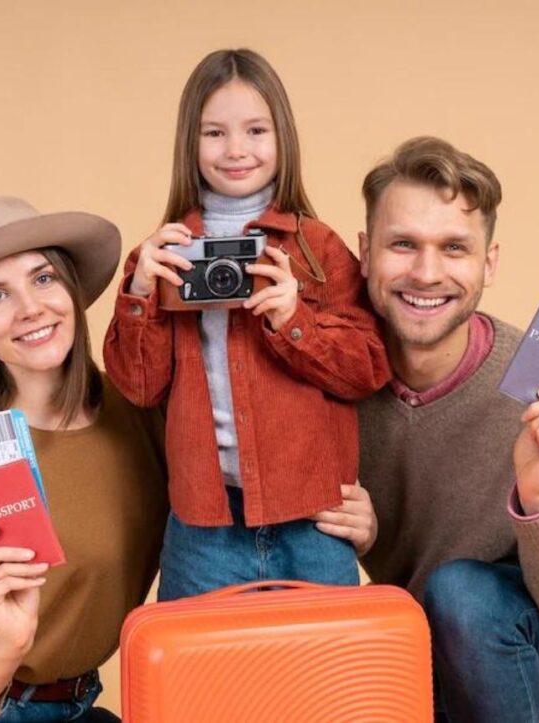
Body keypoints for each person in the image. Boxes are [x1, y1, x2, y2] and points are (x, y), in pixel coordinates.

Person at [355, 137, 539, 722]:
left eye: (454, 248)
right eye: (403, 244)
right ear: (364, 254)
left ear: (489, 263)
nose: (427, 273)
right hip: (423, 645)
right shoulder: (337, 378)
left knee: (464, 596)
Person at [104, 48, 390, 601]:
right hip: (203, 520)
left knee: (322, 679)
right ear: (190, 142)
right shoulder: (165, 254)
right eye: (214, 133)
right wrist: (143, 293)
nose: (236, 150)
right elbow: (140, 388)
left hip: (312, 514)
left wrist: (293, 318)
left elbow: (368, 369)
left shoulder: (317, 248)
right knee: (202, 682)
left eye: (256, 130)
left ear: (282, 137)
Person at [0, 196, 169, 721]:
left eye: (43, 279)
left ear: (71, 289)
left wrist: (358, 518)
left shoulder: (138, 414)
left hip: (82, 703)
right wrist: (9, 644)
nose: (30, 309)